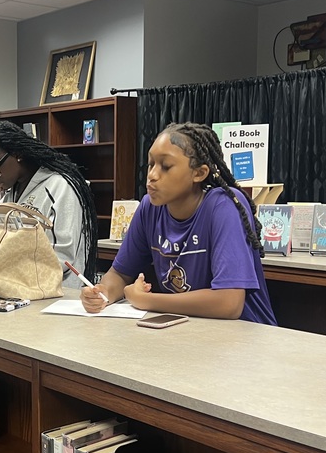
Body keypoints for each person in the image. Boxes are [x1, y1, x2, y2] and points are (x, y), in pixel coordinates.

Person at [80, 122, 277, 325]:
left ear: (199, 173)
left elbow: (229, 303)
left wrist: (146, 300)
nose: (152, 175)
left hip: (246, 338)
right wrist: (102, 293)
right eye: (150, 164)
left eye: (166, 166)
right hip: (187, 333)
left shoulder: (224, 205)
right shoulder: (150, 207)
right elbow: (120, 273)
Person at [0, 120, 99, 286]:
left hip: (57, 295)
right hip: (20, 288)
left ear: (17, 154)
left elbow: (61, 257)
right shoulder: (12, 191)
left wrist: (7, 270)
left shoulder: (61, 186)